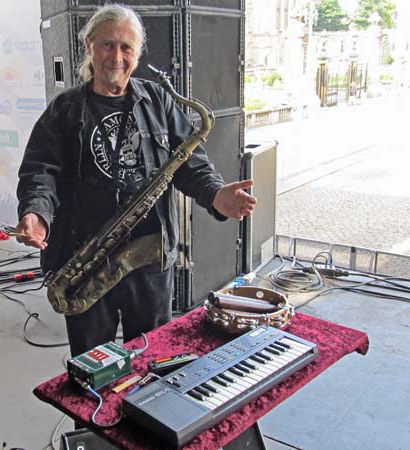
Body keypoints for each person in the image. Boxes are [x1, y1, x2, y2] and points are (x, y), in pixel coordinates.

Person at [15, 4, 256, 358]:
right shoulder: (64, 109)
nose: (116, 56)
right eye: (107, 45)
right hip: (86, 260)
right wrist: (37, 214)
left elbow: (190, 164)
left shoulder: (158, 100)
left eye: (126, 47)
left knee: (154, 360)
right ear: (89, 45)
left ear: (138, 53)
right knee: (91, 367)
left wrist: (216, 194)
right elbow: (40, 171)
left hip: (148, 261)